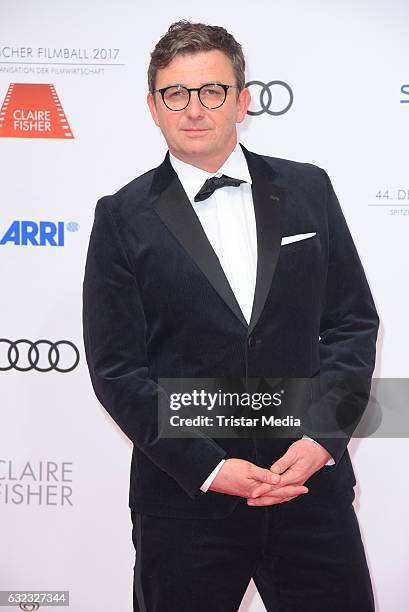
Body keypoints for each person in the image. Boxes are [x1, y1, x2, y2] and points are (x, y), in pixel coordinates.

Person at [82, 20, 379, 612]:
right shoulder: (121, 217)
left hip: (309, 490)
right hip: (185, 503)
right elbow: (118, 370)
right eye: (176, 94)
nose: (194, 109)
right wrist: (211, 469)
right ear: (153, 106)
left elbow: (351, 326)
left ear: (242, 100)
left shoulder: (308, 188)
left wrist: (323, 439)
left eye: (212, 91)